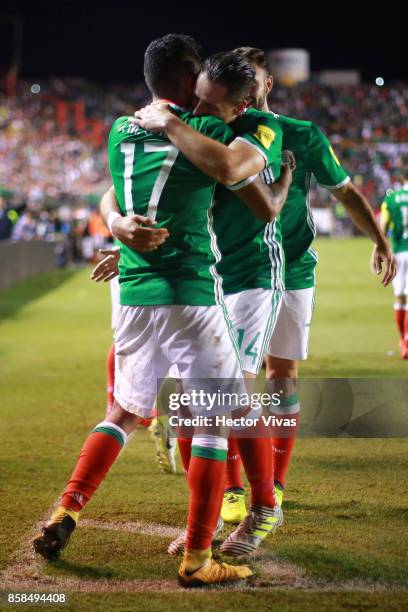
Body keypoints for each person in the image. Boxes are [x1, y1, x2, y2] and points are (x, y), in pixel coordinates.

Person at [33, 35, 287, 587]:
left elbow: (114, 191)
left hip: (132, 299)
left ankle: (66, 510)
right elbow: (234, 176)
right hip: (191, 293)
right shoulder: (214, 133)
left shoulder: (121, 130)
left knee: (123, 412)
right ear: (192, 77)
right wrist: (121, 219)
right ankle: (199, 556)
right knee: (216, 420)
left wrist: (118, 223)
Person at [378, 182, 408, 358]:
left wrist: (378, 249)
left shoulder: (391, 199)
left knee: (400, 298)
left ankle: (403, 342)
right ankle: (406, 340)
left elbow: (382, 228)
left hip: (397, 253)